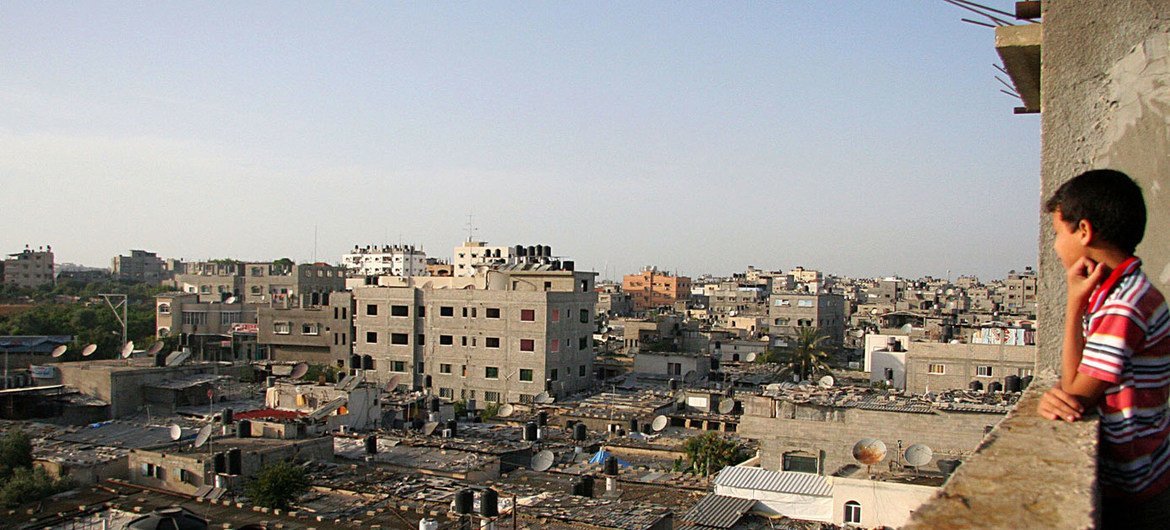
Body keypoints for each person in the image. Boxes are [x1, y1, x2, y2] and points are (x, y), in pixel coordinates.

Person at [1036, 169, 1170, 528]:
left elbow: (1075, 396)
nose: (1055, 246)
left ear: (1084, 231)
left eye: (1058, 233)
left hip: (1137, 492)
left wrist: (1058, 398)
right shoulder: (1120, 293)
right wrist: (1076, 301)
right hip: (1137, 479)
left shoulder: (1124, 305)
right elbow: (1074, 381)